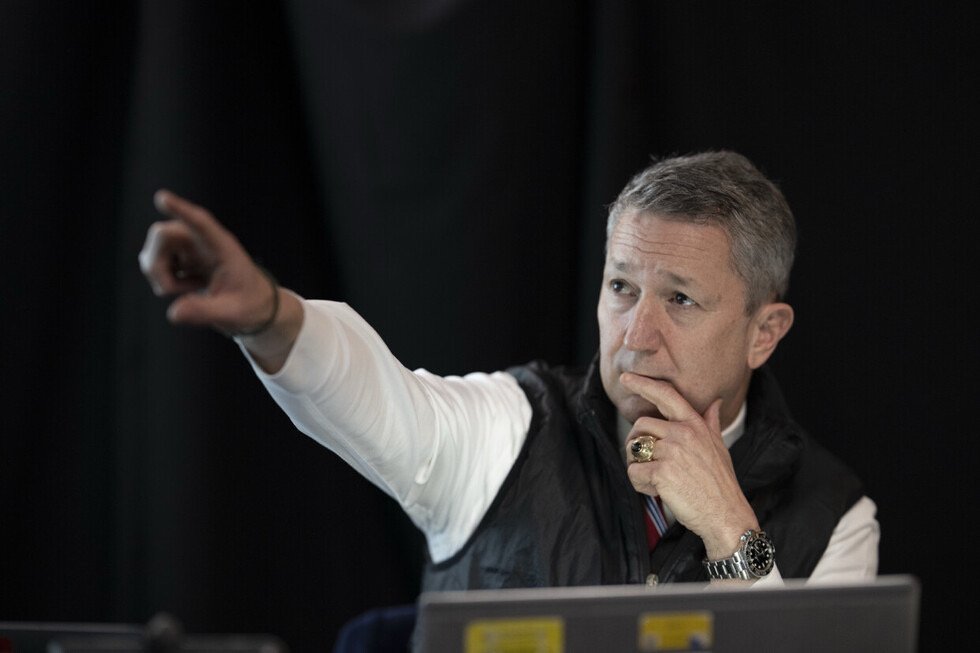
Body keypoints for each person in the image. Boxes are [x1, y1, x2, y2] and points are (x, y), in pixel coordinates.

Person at [139, 151, 878, 591]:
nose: (635, 335)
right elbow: (374, 397)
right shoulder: (510, 428)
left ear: (763, 333)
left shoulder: (837, 515)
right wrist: (269, 315)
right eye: (621, 288)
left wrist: (729, 530)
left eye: (680, 299)